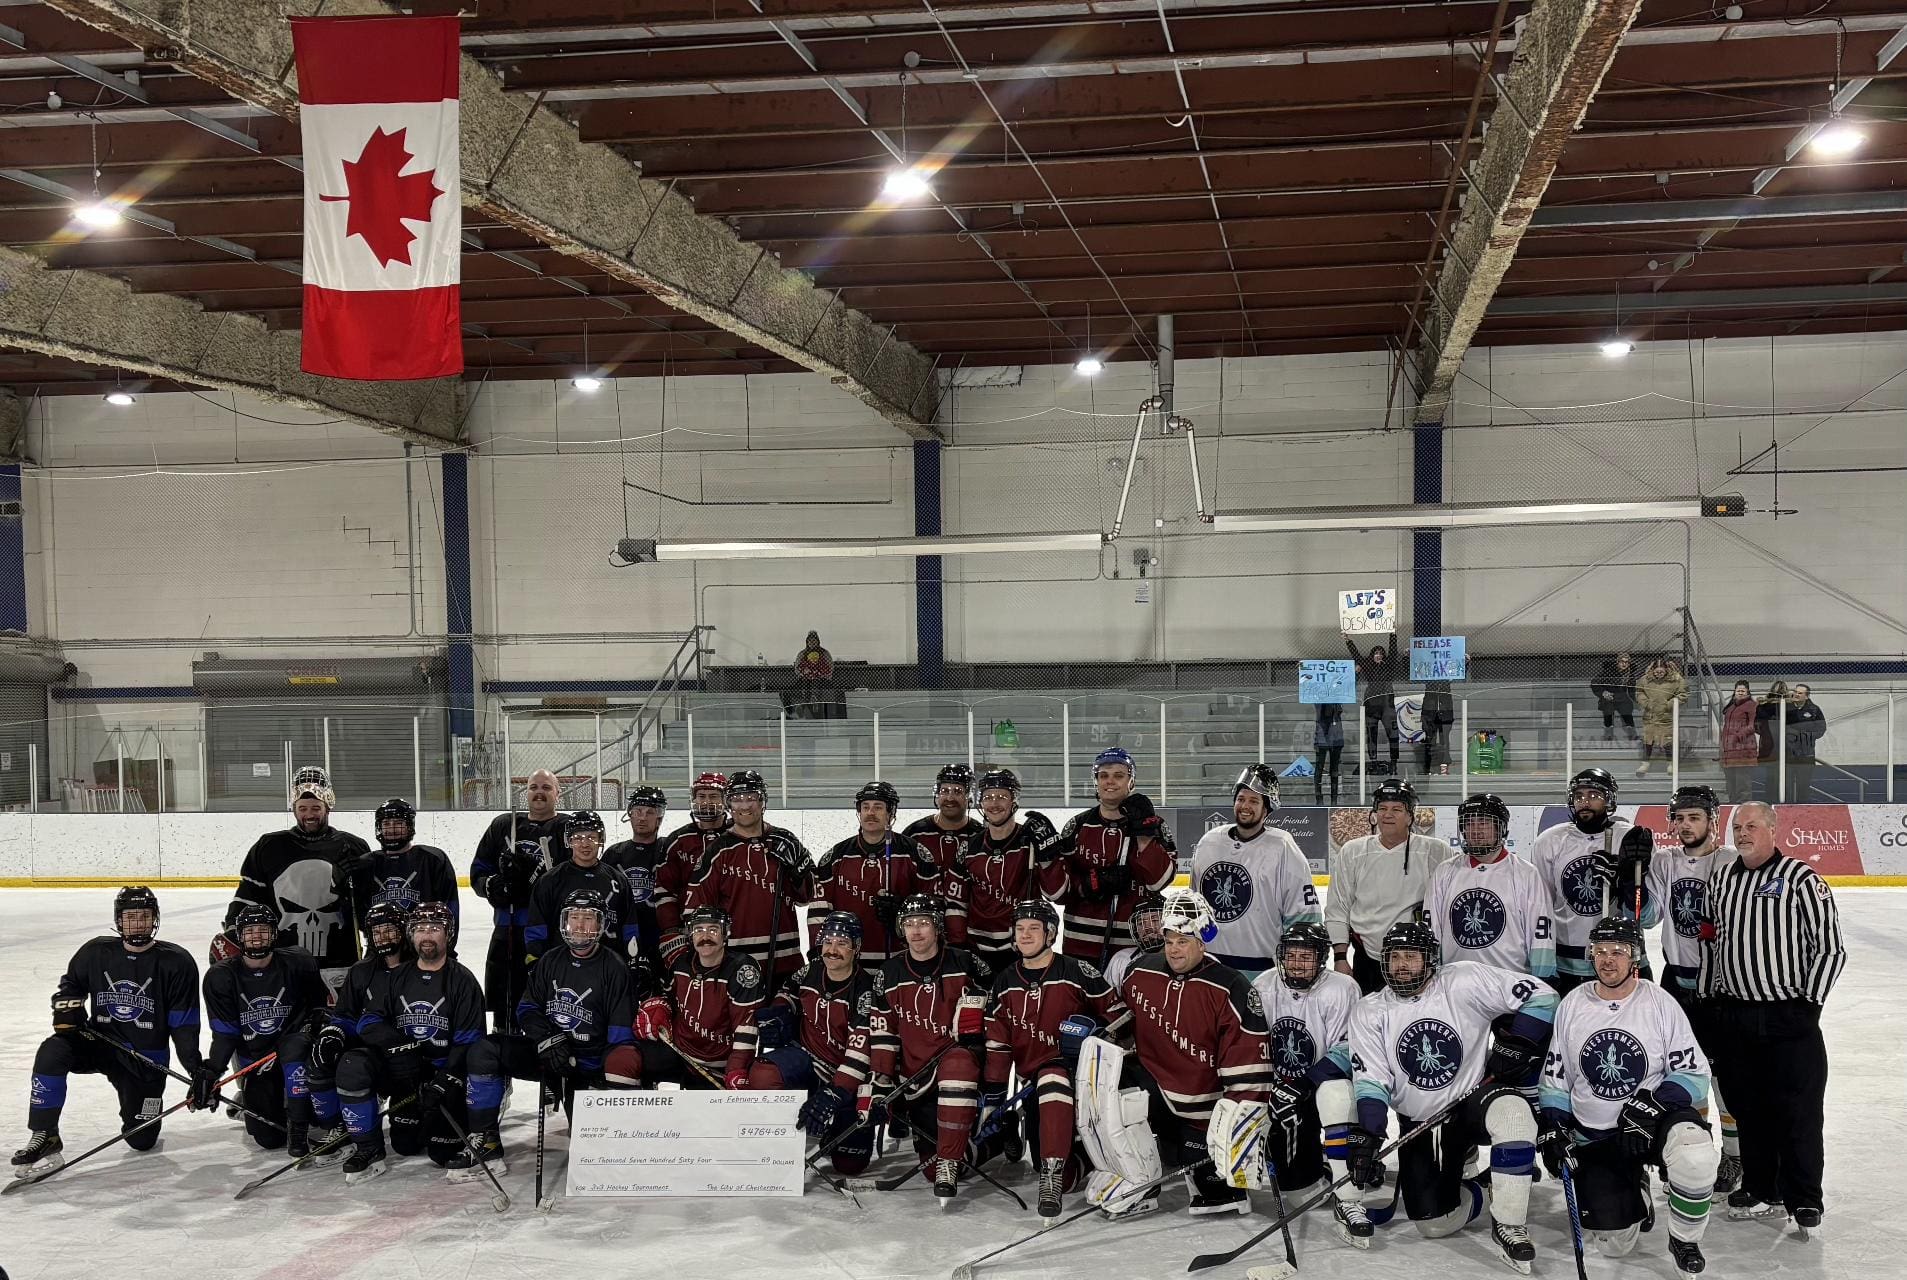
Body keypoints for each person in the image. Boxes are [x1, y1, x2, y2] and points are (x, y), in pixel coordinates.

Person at [1347, 921, 1557, 1274]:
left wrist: (1518, 1041)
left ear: (1430, 960)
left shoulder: (1463, 980)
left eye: (1410, 957)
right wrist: (1369, 1135)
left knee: (1514, 1114)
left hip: (1472, 1100)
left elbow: (1544, 996)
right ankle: (1485, 1185)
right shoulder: (1370, 1011)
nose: (1400, 965)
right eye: (1395, 956)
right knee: (1434, 1223)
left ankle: (1509, 1222)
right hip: (1422, 1123)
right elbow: (1372, 1083)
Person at [1077, 887, 1274, 1219]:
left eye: (1183, 941)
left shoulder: (1231, 987)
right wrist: (1105, 1032)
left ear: (1202, 941)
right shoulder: (1141, 971)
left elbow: (1250, 1060)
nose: (1174, 949)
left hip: (1203, 1108)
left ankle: (1201, 1165)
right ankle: (1138, 1178)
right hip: (1156, 1088)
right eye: (1169, 940)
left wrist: (1240, 1131)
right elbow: (1124, 1017)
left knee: (1217, 1191)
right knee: (1104, 1075)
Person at [1539, 916, 1716, 1278]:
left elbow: (1695, 1074)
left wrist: (1654, 1103)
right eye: (1600, 951)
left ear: (1634, 955)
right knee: (1614, 1246)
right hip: (1597, 1134)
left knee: (1695, 1154)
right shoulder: (1573, 1003)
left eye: (1618, 952)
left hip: (1651, 1124)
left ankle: (1684, 1239)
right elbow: (1555, 1080)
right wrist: (1555, 1129)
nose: (1608, 960)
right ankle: (1636, 1185)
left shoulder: (1659, 1002)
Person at [1702, 801, 1845, 1231]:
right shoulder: (1723, 878)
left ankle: (1804, 1196)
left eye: (1751, 826)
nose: (1743, 833)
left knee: (1798, 1111)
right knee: (1749, 1108)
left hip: (1788, 1018)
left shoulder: (1801, 879)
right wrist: (1711, 999)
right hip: (1737, 1015)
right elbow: (1715, 942)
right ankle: (1762, 1186)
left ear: (1772, 829)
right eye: (1737, 826)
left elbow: (1830, 948)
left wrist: (1808, 1007)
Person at [15, 887, 203, 1174]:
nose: (137, 923)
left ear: (155, 919)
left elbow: (184, 1025)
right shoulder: (95, 952)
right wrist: (68, 1006)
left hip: (145, 1056)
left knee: (141, 1139)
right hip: (99, 1041)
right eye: (130, 917)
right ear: (118, 920)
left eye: (144, 916)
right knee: (52, 1050)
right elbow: (71, 986)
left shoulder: (176, 962)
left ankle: (140, 1111)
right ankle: (45, 1133)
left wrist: (197, 1071)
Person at [455, 890, 635, 1176]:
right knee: (485, 1051)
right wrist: (548, 1039)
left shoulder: (614, 968)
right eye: (574, 918)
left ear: (600, 924)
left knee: (595, 1155)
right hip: (546, 1053)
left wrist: (592, 1075)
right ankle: (486, 1141)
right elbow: (526, 1009)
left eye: (587, 919)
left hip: (584, 1066)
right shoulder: (550, 960)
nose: (579, 926)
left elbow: (620, 1036)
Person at [832, 893, 992, 1206]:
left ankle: (950, 1158)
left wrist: (978, 1021)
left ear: (937, 927)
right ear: (901, 930)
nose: (916, 930)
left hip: (957, 1068)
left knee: (958, 1064)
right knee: (931, 1170)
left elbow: (995, 1003)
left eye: (923, 923)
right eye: (909, 924)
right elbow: (884, 1034)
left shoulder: (966, 962)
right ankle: (992, 1142)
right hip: (914, 1079)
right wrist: (880, 1086)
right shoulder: (887, 974)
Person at [983, 899, 1131, 1222]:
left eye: (1033, 928)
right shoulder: (1004, 981)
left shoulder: (1078, 972)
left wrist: (1096, 1035)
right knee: (1056, 1174)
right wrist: (994, 1099)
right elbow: (998, 1044)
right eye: (1020, 929)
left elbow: (1122, 1019)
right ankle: (1068, 1161)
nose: (1025, 935)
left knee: (1052, 1073)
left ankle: (1061, 1167)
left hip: (1082, 1087)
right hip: (1036, 1091)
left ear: (1050, 933)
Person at [336, 902, 485, 1183]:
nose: (426, 936)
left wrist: (442, 1082)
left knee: (442, 1154)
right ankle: (368, 1148)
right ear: (410, 934)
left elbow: (470, 1042)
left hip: (445, 1077)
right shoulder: (398, 977)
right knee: (404, 1144)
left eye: (435, 929)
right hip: (406, 1075)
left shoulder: (462, 981)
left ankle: (479, 1117)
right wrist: (401, 1046)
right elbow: (368, 1021)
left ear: (448, 934)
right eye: (419, 929)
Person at [1250, 922, 1371, 1246]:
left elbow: (1349, 1048)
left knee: (1335, 1098)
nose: (1298, 963)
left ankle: (1348, 1169)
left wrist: (1305, 1083)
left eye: (1306, 956)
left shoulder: (1342, 988)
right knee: (1300, 1193)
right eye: (1292, 956)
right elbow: (1253, 1043)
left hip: (1324, 1080)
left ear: (1321, 959)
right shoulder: (1264, 985)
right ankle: (1312, 1164)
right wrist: (1269, 1087)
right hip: (1282, 1085)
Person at [737, 912, 879, 1177]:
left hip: (847, 1076)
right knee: (764, 1073)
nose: (832, 950)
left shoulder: (865, 992)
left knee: (850, 1166)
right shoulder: (809, 970)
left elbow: (860, 1056)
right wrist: (778, 1015)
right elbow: (786, 993)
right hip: (807, 1059)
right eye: (827, 942)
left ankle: (831, 1123)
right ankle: (778, 1145)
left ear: (856, 948)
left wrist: (835, 1094)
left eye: (841, 943)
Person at [1654, 784, 1742, 1193]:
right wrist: (1628, 874)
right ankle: (1696, 1148)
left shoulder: (1731, 861)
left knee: (1725, 1074)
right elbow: (1648, 916)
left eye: (1694, 817)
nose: (1686, 826)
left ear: (1713, 820)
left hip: (1720, 982)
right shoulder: (1665, 860)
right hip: (1675, 980)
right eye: (1680, 818)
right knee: (1682, 1069)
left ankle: (1735, 1155)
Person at [217, 765, 370, 994]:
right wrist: (233, 931)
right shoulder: (269, 847)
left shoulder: (353, 847)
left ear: (328, 807)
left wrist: (355, 884)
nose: (309, 814)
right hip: (282, 961)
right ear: (294, 809)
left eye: (316, 808)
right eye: (303, 808)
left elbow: (368, 906)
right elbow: (248, 898)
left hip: (340, 962)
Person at [198, 902, 331, 1151]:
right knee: (268, 1138)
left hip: (298, 1057)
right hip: (261, 1063)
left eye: (262, 930)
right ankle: (252, 1097)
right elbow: (225, 1035)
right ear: (239, 937)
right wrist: (211, 1072)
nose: (256, 938)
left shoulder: (299, 962)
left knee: (320, 1116)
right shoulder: (221, 977)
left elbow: (319, 1007)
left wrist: (316, 1023)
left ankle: (308, 1107)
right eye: (249, 932)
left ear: (274, 933)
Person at [301, 897, 412, 1164]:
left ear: (403, 931)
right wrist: (334, 1033)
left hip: (412, 1060)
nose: (383, 937)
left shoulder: (421, 967)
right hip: (374, 1056)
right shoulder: (361, 971)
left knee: (409, 1143)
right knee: (338, 1061)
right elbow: (345, 1016)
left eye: (390, 930)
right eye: (377, 931)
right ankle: (350, 1134)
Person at [609, 904, 766, 1090]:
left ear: (726, 933)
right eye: (699, 930)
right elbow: (667, 999)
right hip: (681, 1056)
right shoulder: (680, 965)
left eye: (713, 929)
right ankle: (633, 1118)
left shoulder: (743, 971)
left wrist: (737, 1069)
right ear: (691, 934)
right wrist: (657, 1008)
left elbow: (745, 1027)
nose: (705, 937)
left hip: (721, 1067)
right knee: (622, 1059)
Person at [1047, 747, 1178, 966]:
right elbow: (1059, 892)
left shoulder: (1155, 825)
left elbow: (1159, 882)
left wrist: (1145, 837)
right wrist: (1088, 885)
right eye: (1103, 775)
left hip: (1134, 946)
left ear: (1131, 781)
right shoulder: (1077, 826)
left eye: (1119, 776)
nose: (1110, 781)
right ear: (1095, 781)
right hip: (1080, 945)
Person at [1190, 764, 1321, 975]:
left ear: (1266, 808)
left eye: (1254, 801)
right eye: (1241, 799)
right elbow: (1195, 904)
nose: (1245, 806)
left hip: (1263, 971)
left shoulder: (1283, 847)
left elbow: (1304, 914)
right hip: (1209, 967)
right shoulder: (1209, 842)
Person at [1325, 779, 1453, 994]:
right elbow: (1338, 908)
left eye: (1396, 809)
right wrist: (1339, 957)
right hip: (1366, 957)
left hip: (1416, 958)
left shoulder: (1435, 851)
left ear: (1411, 815)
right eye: (1382, 808)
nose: (1387, 814)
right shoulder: (1353, 851)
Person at [684, 769, 813, 983]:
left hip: (786, 961)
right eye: (737, 799)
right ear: (728, 804)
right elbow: (696, 909)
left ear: (763, 801)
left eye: (751, 798)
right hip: (735, 964)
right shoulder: (717, 851)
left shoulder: (784, 840)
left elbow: (806, 897)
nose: (745, 806)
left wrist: (799, 869)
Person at [469, 767, 571, 1032]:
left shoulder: (567, 828)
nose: (539, 792)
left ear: (558, 794)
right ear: (525, 792)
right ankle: (504, 1047)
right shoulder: (504, 825)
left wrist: (538, 885)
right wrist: (496, 887)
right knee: (505, 1007)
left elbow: (577, 877)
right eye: (534, 787)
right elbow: (478, 873)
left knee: (551, 1002)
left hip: (551, 934)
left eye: (546, 788)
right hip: (508, 932)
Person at [809, 780, 946, 972]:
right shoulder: (835, 858)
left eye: (878, 807)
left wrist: (902, 914)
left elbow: (935, 906)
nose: (870, 813)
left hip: (903, 960)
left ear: (891, 813)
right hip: (849, 962)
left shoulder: (915, 854)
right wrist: (818, 949)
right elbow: (818, 910)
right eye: (865, 807)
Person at [1427, 793, 1557, 979]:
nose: (1475, 830)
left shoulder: (1526, 874)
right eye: (1469, 823)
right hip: (1455, 983)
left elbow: (1541, 933)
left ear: (1501, 828)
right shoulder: (1444, 872)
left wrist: (1543, 979)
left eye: (1483, 823)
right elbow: (1432, 928)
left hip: (1510, 984)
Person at [1530, 768, 1636, 994]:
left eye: (1594, 795)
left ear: (1609, 800)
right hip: (1565, 963)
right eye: (1579, 796)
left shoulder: (1629, 838)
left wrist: (1626, 883)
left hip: (1618, 961)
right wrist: (1543, 963)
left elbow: (1644, 913)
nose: (1585, 802)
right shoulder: (1549, 841)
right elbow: (1542, 907)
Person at [524, 810, 657, 978]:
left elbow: (629, 927)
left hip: (609, 969)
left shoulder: (618, 880)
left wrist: (632, 960)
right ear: (569, 841)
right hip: (563, 968)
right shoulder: (550, 881)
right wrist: (536, 960)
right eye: (578, 838)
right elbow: (537, 927)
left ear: (601, 839)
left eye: (591, 837)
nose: (585, 844)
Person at [954, 768, 1061, 969]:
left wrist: (1048, 857)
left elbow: (1056, 895)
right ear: (980, 802)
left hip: (1023, 946)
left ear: (1014, 800)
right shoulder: (968, 848)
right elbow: (956, 904)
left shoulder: (1030, 843)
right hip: (977, 950)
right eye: (988, 797)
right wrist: (960, 948)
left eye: (1002, 796)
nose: (994, 803)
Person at [332, 797, 459, 931]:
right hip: (381, 943)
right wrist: (341, 883)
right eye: (386, 824)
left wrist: (446, 947)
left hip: (422, 945)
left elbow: (450, 908)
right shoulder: (366, 864)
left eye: (399, 823)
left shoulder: (432, 860)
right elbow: (354, 911)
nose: (392, 829)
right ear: (379, 827)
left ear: (409, 826)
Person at [900, 763, 985, 943]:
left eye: (957, 791)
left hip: (968, 932)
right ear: (936, 794)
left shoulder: (980, 836)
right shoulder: (915, 834)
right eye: (945, 790)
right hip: (921, 929)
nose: (950, 797)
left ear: (969, 795)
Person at [653, 772, 729, 964]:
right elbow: (664, 890)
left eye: (713, 796)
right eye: (701, 796)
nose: (706, 802)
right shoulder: (678, 841)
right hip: (690, 933)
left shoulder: (736, 837)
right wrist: (672, 930)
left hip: (733, 930)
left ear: (725, 800)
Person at [1345, 635, 1400, 774]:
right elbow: (1356, 655)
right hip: (1371, 705)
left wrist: (1393, 634)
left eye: (1381, 653)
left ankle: (1394, 763)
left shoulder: (1390, 666)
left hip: (1387, 704)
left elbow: (1393, 652)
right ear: (1372, 656)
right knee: (1371, 734)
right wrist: (1348, 641)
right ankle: (1373, 761)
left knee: (1393, 734)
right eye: (1376, 653)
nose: (1378, 656)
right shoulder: (1368, 667)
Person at [1634, 656, 1688, 778]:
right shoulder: (1645, 680)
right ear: (1652, 670)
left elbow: (1683, 694)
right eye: (1656, 671)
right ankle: (1645, 764)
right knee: (1648, 740)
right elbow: (1639, 692)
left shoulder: (1676, 680)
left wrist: (1669, 704)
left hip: (1666, 715)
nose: (1659, 674)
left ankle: (1670, 764)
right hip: (1650, 715)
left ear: (1666, 670)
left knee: (1668, 740)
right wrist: (1646, 703)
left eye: (1661, 671)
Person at [603, 785, 667, 882]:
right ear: (630, 814)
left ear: (659, 819)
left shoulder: (669, 850)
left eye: (649, 813)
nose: (642, 818)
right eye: (638, 811)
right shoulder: (613, 854)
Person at [1102, 891, 1165, 990]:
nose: (1147, 928)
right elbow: (1108, 1001)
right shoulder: (1121, 959)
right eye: (1141, 923)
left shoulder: (1181, 960)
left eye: (1155, 920)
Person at [1784, 683, 1828, 802]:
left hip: (1806, 754)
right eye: (1795, 692)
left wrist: (1805, 736)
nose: (1796, 694)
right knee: (1785, 786)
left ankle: (1802, 810)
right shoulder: (1785, 708)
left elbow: (1821, 728)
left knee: (1803, 786)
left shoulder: (1814, 710)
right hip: (1787, 754)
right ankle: (1786, 809)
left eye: (1800, 693)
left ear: (1807, 696)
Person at [1719, 681, 1759, 803]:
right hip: (1729, 751)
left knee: (1743, 783)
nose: (1740, 693)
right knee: (1731, 784)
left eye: (1743, 691)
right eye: (1738, 690)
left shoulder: (1752, 705)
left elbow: (1753, 726)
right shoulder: (1731, 707)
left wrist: (1737, 736)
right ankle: (1732, 805)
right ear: (1734, 691)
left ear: (1748, 692)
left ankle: (1744, 806)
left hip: (1744, 750)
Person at [1591, 652, 1639, 743]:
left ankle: (1632, 735)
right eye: (1622, 661)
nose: (1624, 664)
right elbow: (1594, 683)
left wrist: (1637, 700)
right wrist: (1603, 693)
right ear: (1617, 662)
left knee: (1627, 714)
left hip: (1622, 697)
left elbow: (1631, 690)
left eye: (1627, 662)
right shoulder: (1608, 672)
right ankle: (1608, 735)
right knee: (1608, 714)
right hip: (1610, 697)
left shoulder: (1630, 674)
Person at [1755, 680, 1788, 801]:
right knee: (1772, 775)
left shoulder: (1788, 705)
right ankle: (1771, 798)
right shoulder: (1764, 706)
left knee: (1782, 775)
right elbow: (1757, 724)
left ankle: (1781, 798)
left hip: (1783, 745)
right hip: (1771, 746)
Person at [793, 629, 838, 719]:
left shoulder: (824, 653)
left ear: (818, 642)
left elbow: (830, 667)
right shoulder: (802, 654)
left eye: (814, 640)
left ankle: (815, 701)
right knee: (804, 684)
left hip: (821, 677)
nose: (812, 643)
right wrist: (804, 673)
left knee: (816, 683)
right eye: (810, 641)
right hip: (806, 677)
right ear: (807, 642)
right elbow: (797, 668)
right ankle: (804, 705)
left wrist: (821, 674)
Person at [1420, 680, 1454, 775]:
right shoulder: (1430, 683)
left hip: (1445, 713)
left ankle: (1444, 767)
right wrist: (1424, 717)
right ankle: (1429, 768)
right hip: (1430, 713)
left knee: (1445, 740)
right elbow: (1426, 699)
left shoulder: (1446, 684)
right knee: (1430, 740)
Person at [1313, 702, 1344, 804]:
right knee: (1320, 768)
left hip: (1335, 736)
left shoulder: (1337, 699)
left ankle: (1333, 800)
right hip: (1324, 735)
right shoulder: (1320, 700)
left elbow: (1339, 711)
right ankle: (1319, 799)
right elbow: (1321, 713)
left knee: (1333, 769)